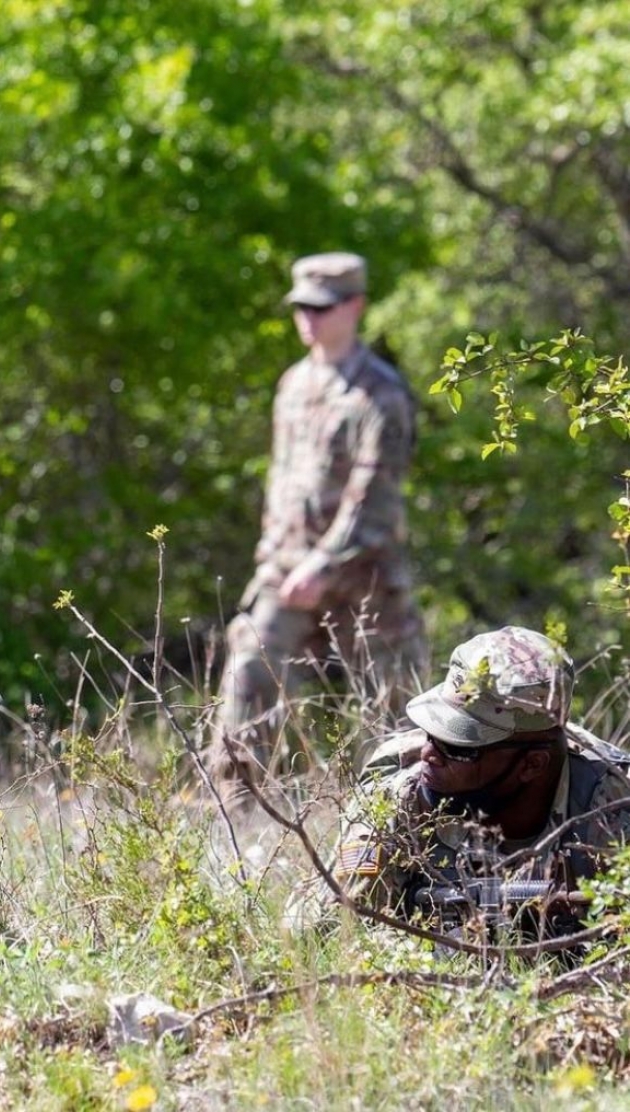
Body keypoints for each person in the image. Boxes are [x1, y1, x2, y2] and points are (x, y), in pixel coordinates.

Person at [208, 252, 426, 803]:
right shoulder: (293, 384)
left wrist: (324, 564)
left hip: (365, 576)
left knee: (399, 712)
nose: (308, 319)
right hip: (288, 570)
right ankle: (237, 816)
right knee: (249, 671)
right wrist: (272, 559)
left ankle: (413, 828)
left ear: (355, 306)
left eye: (321, 308)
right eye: (301, 307)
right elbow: (281, 485)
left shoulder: (382, 394)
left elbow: (374, 498)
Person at [309, 626, 630, 937]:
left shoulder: (615, 803)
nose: (429, 754)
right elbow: (324, 932)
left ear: (532, 764)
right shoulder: (401, 793)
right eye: (430, 734)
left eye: (458, 746)